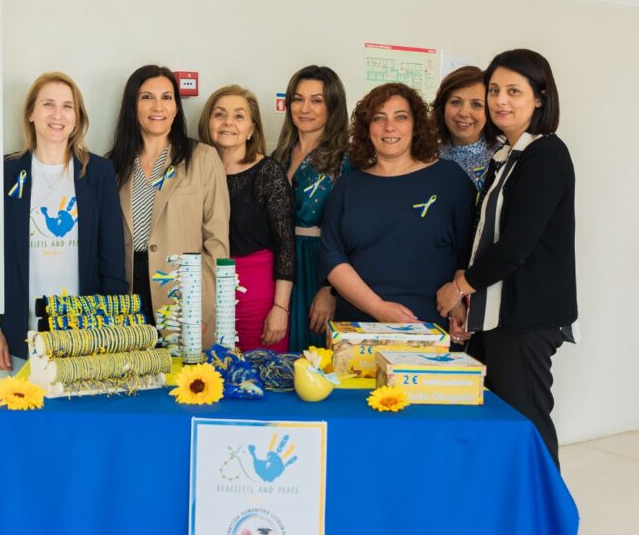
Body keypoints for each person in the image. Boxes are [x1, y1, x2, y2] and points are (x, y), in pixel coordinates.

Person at [436, 49, 577, 467]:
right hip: (496, 313)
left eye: (514, 91)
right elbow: (481, 236)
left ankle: (546, 520)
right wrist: (467, 299)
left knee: (526, 425)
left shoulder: (546, 155)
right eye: (494, 90)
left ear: (540, 97)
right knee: (495, 423)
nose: (500, 100)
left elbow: (515, 247)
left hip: (526, 316)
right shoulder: (506, 156)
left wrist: (457, 287)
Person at [0, 72, 127, 371]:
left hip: (85, 334)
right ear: (31, 114)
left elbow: (111, 256)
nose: (58, 115)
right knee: (24, 415)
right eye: (48, 104)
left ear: (77, 118)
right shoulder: (4, 172)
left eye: (67, 106)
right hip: (19, 335)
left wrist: (113, 332)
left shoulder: (98, 173)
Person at [320, 83, 474, 331]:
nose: (389, 127)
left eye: (400, 117)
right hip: (359, 327)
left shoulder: (450, 179)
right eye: (379, 118)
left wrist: (458, 298)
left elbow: (469, 248)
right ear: (367, 129)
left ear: (416, 126)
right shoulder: (348, 187)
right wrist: (379, 308)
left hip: (431, 327)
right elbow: (332, 257)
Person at [109, 65, 230, 346]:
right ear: (133, 105)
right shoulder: (113, 165)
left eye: (167, 97)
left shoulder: (202, 158)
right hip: (127, 299)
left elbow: (217, 242)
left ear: (176, 107)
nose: (158, 106)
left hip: (182, 295)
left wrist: (201, 308)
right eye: (147, 97)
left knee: (184, 386)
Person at [198, 84, 295, 352]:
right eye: (219, 114)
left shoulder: (268, 173)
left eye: (239, 116)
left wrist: (280, 308)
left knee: (259, 378)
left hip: (257, 296)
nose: (228, 122)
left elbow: (286, 248)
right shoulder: (194, 171)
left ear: (251, 129)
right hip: (205, 292)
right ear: (208, 123)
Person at [271, 65, 351, 351]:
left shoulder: (346, 160)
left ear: (333, 106)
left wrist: (332, 290)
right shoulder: (278, 155)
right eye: (298, 98)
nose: (305, 108)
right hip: (279, 266)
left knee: (311, 357)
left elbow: (353, 233)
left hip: (319, 267)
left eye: (316, 100)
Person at [432, 66, 497, 190]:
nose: (464, 113)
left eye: (476, 104)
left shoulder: (502, 158)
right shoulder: (425, 152)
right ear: (443, 106)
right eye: (455, 102)